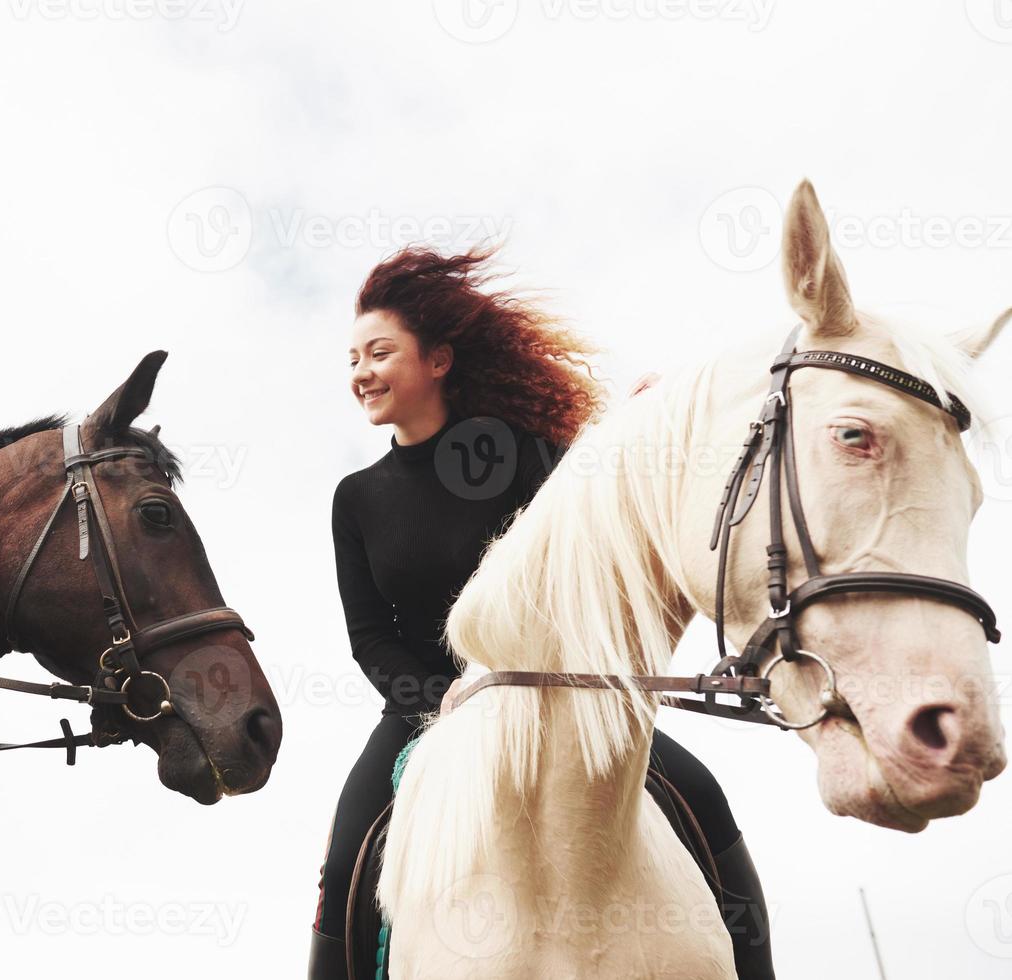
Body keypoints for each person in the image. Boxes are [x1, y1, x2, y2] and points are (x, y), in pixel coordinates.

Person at [308, 246, 775, 979]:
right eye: (352, 358)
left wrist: (636, 423)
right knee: (345, 864)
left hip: (552, 695)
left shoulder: (521, 454)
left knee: (703, 798)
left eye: (379, 352)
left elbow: (597, 502)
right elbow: (370, 638)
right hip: (426, 711)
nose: (360, 372)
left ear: (437, 361)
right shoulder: (355, 498)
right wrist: (440, 702)